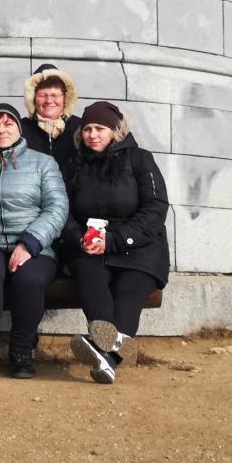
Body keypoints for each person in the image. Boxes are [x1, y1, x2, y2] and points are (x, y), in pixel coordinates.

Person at [61, 100, 170, 385]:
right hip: (89, 248)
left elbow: (156, 207)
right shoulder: (74, 165)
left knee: (128, 292)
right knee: (91, 283)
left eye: (100, 129)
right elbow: (63, 210)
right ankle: (113, 353)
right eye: (87, 129)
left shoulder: (140, 159)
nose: (92, 135)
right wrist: (78, 237)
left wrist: (115, 240)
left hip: (140, 248)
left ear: (115, 131)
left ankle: (103, 353)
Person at [0, 102, 69, 381]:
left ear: (19, 128)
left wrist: (30, 242)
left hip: (35, 243)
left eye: (8, 123)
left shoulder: (42, 163)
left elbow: (57, 207)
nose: (1, 129)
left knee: (29, 278)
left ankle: (22, 351)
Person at [20, 63, 82, 177]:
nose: (49, 101)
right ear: (33, 98)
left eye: (55, 95)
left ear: (65, 98)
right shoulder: (19, 128)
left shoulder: (80, 127)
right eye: (42, 95)